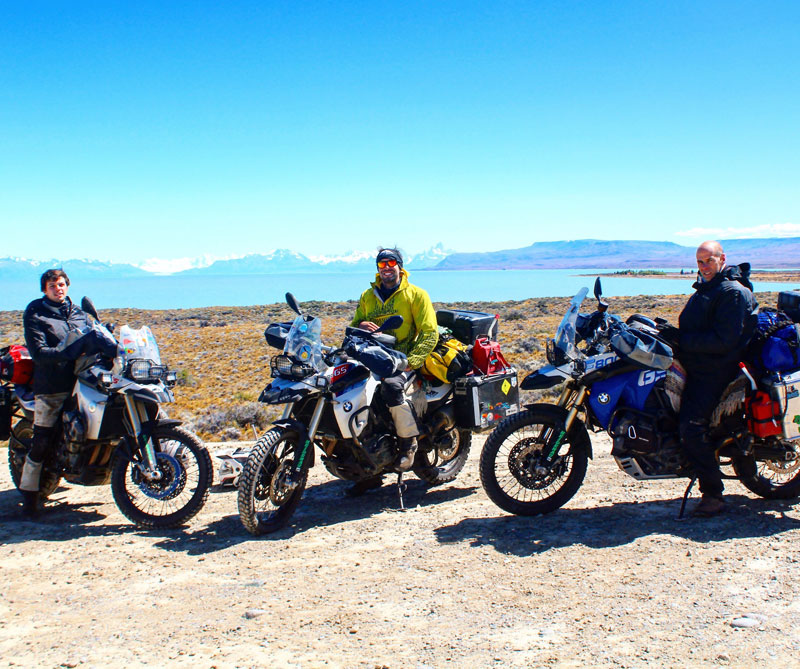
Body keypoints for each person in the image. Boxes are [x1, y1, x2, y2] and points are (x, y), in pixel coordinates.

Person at [677, 241, 758, 517]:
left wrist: (683, 341)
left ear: (722, 258)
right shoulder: (709, 287)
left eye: (709, 261)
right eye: (699, 262)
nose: (704, 267)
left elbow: (725, 341)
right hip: (700, 362)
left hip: (717, 369)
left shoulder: (732, 292)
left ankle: (713, 494)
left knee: (690, 425)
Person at [349, 248, 439, 492]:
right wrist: (361, 325)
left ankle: (408, 443)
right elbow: (354, 325)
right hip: (371, 357)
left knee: (391, 388)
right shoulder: (368, 296)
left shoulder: (416, 295)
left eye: (391, 263)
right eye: (382, 264)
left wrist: (412, 360)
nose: (386, 268)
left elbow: (429, 332)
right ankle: (366, 462)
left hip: (401, 359)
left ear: (400, 266)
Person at [19, 269, 94, 516]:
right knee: (42, 439)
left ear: (67, 286)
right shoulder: (35, 312)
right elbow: (39, 352)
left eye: (61, 284)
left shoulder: (78, 313)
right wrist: (67, 353)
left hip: (83, 381)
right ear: (44, 289)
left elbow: (93, 334)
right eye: (52, 285)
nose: (57, 289)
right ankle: (29, 497)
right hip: (52, 385)